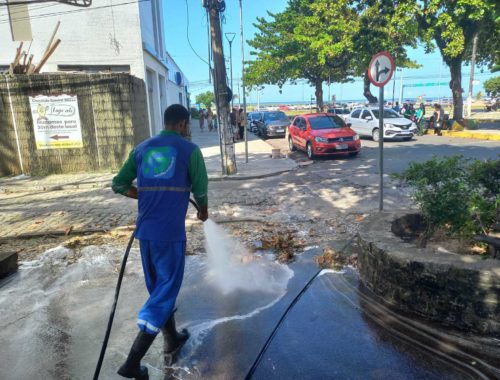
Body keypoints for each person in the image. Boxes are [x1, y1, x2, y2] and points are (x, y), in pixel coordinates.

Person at [112, 104, 209, 379]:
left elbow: (118, 184)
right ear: (182, 124)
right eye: (187, 125)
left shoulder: (142, 149)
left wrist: (141, 196)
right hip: (169, 235)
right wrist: (203, 211)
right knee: (163, 293)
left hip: (145, 234)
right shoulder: (190, 150)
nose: (187, 129)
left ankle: (172, 339)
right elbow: (200, 189)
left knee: (160, 289)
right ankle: (131, 364)